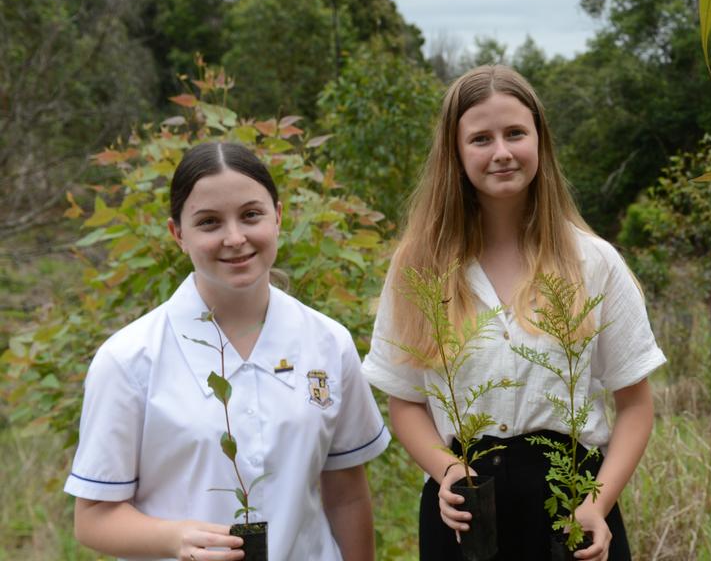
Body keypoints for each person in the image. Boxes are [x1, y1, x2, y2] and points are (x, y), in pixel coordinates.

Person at [361, 65, 665, 561]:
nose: (501, 152)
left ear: (540, 142)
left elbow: (635, 406)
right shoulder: (419, 265)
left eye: (515, 134)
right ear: (455, 154)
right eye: (480, 138)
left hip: (573, 506)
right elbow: (406, 402)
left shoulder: (593, 261)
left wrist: (598, 502)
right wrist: (447, 471)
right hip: (463, 511)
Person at [66, 141, 390, 561]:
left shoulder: (328, 342)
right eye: (209, 222)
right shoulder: (128, 360)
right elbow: (92, 518)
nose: (235, 238)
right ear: (177, 234)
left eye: (251, 215)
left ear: (278, 215)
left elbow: (346, 495)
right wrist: (174, 538)